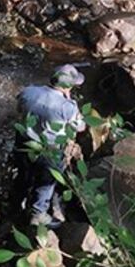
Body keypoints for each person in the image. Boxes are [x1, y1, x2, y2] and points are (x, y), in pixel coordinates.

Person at [16, 64, 87, 228]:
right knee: (45, 182)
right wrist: (69, 100)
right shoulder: (67, 107)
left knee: (23, 172)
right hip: (49, 150)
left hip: (24, 142)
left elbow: (19, 109)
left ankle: (16, 202)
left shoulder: (29, 91)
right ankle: (37, 214)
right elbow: (80, 127)